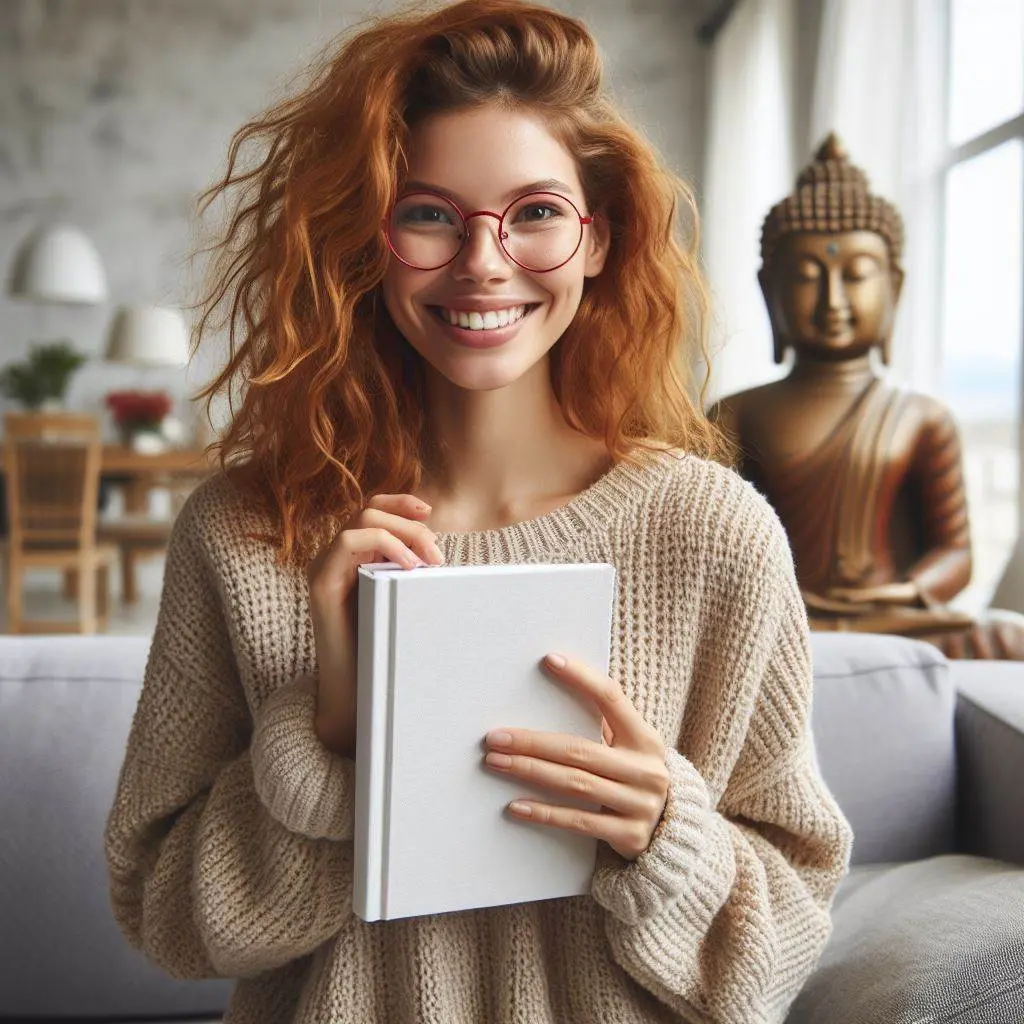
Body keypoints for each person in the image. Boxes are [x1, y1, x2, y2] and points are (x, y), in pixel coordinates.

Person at [104, 2, 853, 1022]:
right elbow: (163, 917)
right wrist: (325, 740)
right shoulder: (245, 533)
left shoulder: (712, 534)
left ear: (599, 238)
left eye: (535, 212)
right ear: (367, 240)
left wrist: (665, 833)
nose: (483, 261)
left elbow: (787, 937)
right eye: (428, 214)